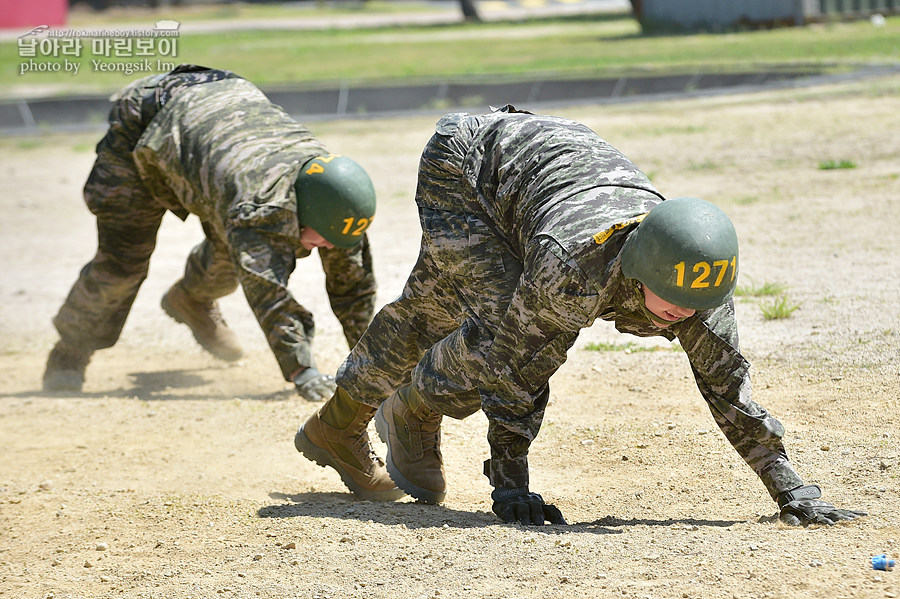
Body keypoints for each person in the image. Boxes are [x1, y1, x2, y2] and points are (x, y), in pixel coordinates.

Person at [294, 105, 867, 525]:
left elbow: (728, 388)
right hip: (469, 165)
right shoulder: (574, 268)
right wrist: (511, 487)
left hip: (550, 168)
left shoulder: (697, 277)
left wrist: (792, 491)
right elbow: (518, 369)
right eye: (671, 302)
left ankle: (362, 417)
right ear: (637, 270)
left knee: (440, 309)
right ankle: (386, 414)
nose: (680, 315)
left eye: (693, 306)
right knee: (478, 323)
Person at [43, 64, 379, 403]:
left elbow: (354, 287)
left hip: (215, 136)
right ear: (297, 210)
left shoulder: (335, 198)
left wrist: (374, 365)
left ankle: (190, 300)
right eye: (319, 237)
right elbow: (268, 291)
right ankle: (71, 349)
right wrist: (301, 369)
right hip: (146, 121)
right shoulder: (258, 207)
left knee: (232, 255)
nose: (324, 246)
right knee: (122, 264)